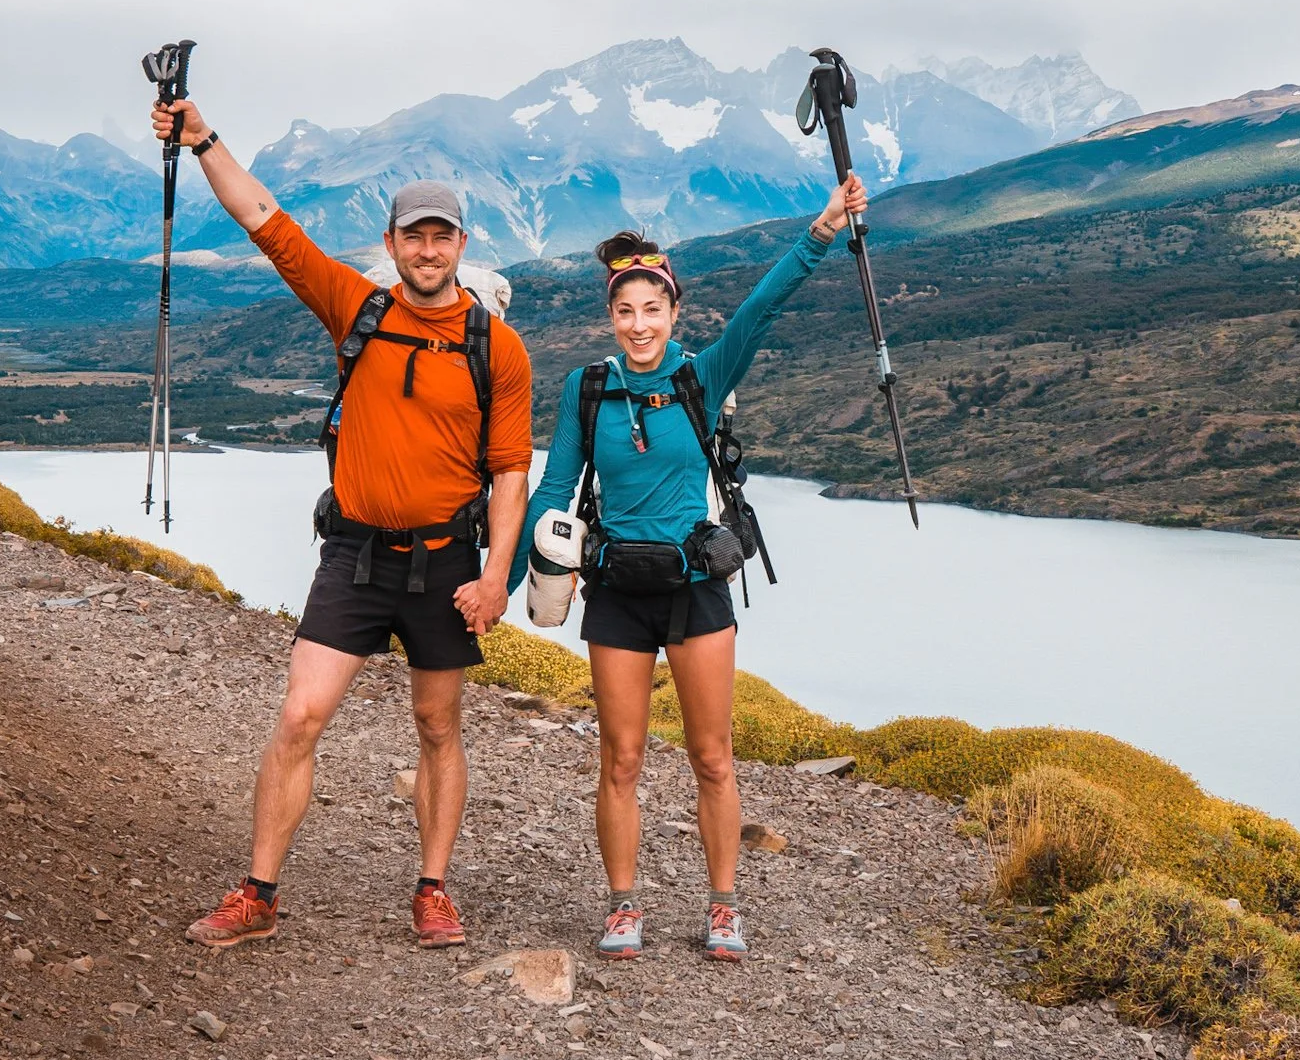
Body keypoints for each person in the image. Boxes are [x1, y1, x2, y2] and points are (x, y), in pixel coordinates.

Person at [150, 97, 532, 952]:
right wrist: (203, 139)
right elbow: (265, 222)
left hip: (446, 561)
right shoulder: (357, 309)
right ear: (392, 245)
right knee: (299, 717)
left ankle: (432, 890)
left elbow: (510, 473)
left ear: (461, 245)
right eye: (413, 237)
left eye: (442, 237)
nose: (428, 251)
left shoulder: (495, 348)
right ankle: (257, 894)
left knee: (438, 726)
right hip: (355, 555)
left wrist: (496, 575)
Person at [513, 175, 867, 963]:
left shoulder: (701, 378)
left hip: (695, 588)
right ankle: (622, 908)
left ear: (673, 313)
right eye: (624, 311)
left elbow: (761, 310)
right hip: (614, 594)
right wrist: (497, 585)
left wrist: (822, 230)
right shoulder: (587, 388)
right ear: (610, 316)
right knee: (622, 759)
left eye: (652, 309)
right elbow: (552, 492)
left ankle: (722, 907)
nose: (638, 324)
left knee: (711, 755)